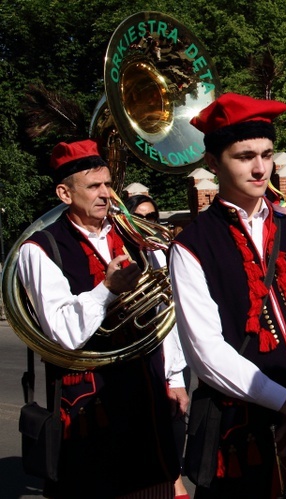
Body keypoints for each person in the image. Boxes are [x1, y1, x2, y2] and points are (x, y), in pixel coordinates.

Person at [169, 92, 286, 498]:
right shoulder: (191, 245)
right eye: (244, 156)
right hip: (245, 432)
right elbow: (207, 354)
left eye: (267, 154)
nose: (260, 168)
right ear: (213, 163)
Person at [17, 139, 180, 497]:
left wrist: (177, 377)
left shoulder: (134, 236)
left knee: (156, 487)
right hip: (90, 412)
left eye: (108, 184)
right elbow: (63, 332)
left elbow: (165, 308)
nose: (106, 194)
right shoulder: (40, 248)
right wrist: (108, 290)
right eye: (93, 186)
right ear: (64, 193)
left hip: (148, 399)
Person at [124, 193, 191, 499]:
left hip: (172, 364)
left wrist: (175, 376)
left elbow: (173, 323)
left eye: (152, 217)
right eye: (141, 216)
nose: (148, 223)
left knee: (176, 434)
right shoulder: (122, 257)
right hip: (136, 365)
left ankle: (173, 485)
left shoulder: (163, 256)